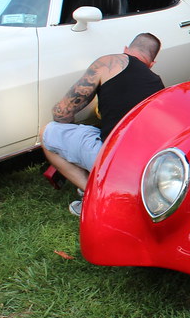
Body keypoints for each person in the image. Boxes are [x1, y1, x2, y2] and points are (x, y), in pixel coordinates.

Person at [42, 33, 165, 215]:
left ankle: (95, 196)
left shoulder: (110, 62)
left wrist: (69, 127)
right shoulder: (158, 84)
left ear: (125, 50)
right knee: (95, 130)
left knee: (47, 132)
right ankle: (104, 186)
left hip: (112, 161)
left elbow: (62, 113)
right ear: (151, 64)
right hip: (142, 167)